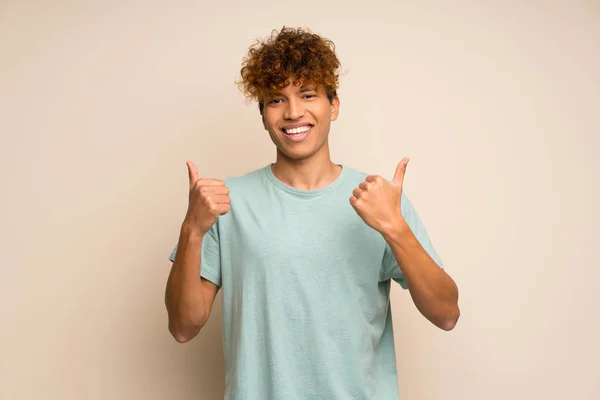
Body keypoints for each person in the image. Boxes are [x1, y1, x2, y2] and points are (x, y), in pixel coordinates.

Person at [165, 26, 460, 400]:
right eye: (276, 99)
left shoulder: (379, 201)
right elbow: (183, 327)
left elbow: (446, 314)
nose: (293, 112)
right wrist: (192, 229)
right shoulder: (226, 203)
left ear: (333, 106)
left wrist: (394, 228)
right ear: (262, 113)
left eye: (307, 94)